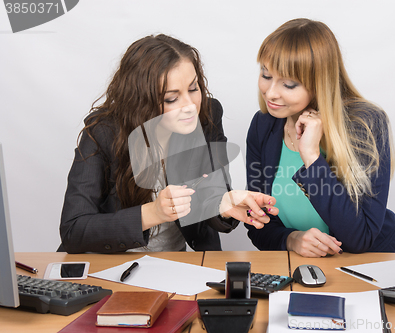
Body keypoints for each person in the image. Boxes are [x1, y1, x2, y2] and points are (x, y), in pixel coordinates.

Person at [59, 34, 276, 254]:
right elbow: (73, 229)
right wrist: (153, 212)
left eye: (193, 88)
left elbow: (210, 193)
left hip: (175, 267)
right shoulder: (103, 131)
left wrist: (224, 203)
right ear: (140, 102)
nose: (190, 106)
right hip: (109, 265)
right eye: (172, 99)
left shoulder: (207, 115)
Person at [245, 18, 395, 257]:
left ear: (318, 83)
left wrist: (312, 157)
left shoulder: (366, 125)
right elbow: (256, 221)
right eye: (265, 75)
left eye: (288, 84)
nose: (271, 92)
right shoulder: (263, 126)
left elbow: (360, 239)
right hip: (313, 271)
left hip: (381, 263)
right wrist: (291, 239)